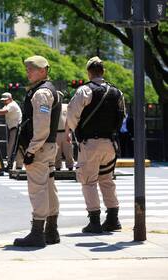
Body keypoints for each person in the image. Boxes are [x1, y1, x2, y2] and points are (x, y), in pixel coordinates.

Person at [66, 56, 125, 233]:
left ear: (89, 72)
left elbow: (72, 114)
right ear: (103, 71)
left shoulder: (84, 90)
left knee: (88, 181)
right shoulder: (117, 92)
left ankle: (94, 221)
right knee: (107, 180)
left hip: (90, 143)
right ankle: (113, 219)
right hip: (110, 143)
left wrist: (75, 130)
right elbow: (122, 116)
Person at [13, 55, 62, 248]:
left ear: (43, 71)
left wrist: (31, 151)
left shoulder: (41, 93)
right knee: (49, 187)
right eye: (27, 69)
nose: (28, 72)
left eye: (31, 69)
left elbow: (41, 127)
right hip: (47, 147)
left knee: (38, 190)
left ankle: (37, 233)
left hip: (39, 148)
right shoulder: (49, 90)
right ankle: (51, 231)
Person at [0, 92, 23, 170]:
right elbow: (1, 111)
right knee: (15, 147)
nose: (4, 102)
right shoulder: (8, 105)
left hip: (16, 128)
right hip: (14, 128)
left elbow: (2, 112)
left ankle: (10, 165)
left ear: (10, 99)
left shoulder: (12, 105)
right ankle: (15, 165)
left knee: (12, 147)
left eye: (5, 100)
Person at [55, 98, 74, 171]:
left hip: (67, 131)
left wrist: (70, 131)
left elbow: (70, 118)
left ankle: (70, 167)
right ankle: (57, 167)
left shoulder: (67, 106)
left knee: (69, 151)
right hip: (56, 132)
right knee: (56, 152)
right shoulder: (52, 107)